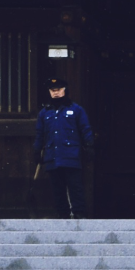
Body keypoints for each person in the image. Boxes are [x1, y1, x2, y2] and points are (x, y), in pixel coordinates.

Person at [33, 77, 94, 218]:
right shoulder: (44, 113)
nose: (56, 93)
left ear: (64, 90)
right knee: (57, 189)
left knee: (75, 187)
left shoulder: (76, 110)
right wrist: (37, 150)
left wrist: (89, 145)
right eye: (53, 90)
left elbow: (85, 129)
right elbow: (39, 134)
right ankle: (63, 214)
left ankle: (79, 213)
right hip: (52, 156)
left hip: (71, 155)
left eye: (59, 90)